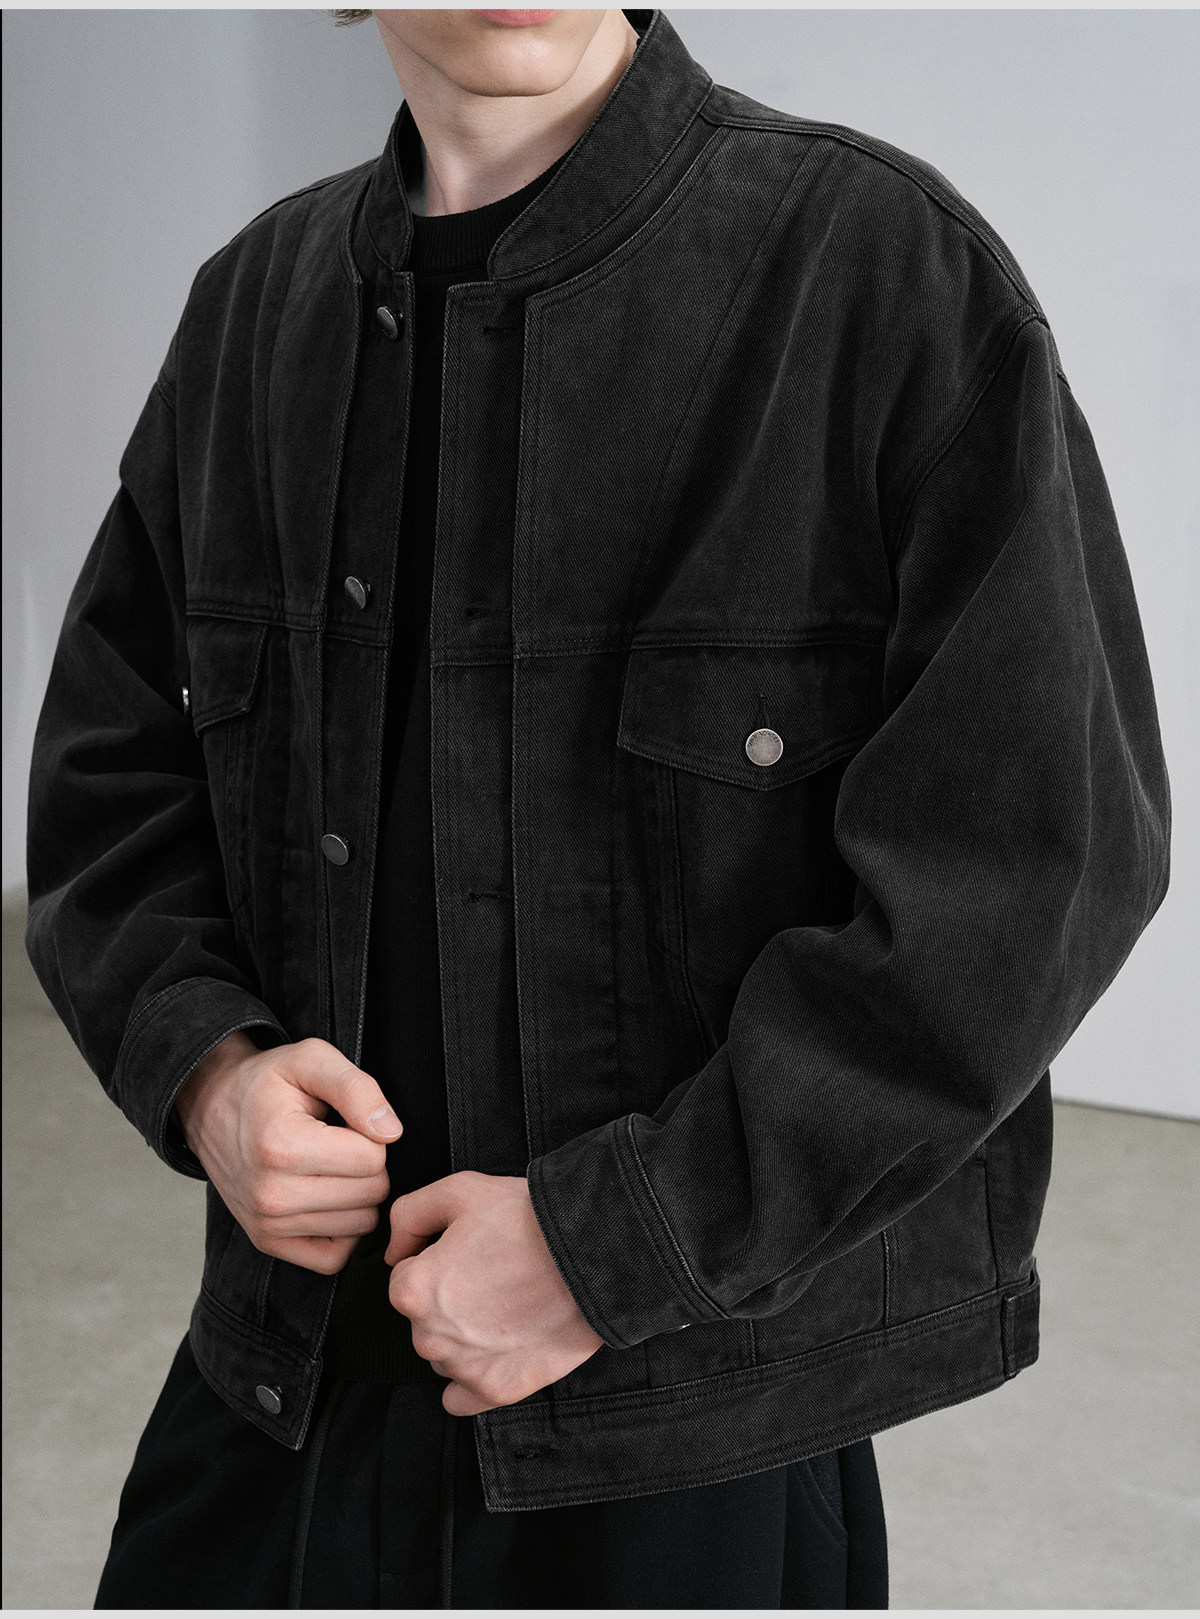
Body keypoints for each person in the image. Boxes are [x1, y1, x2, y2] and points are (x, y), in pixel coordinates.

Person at [24, 7, 1169, 1610]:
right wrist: (207, 1071)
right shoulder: (251, 309)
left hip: (687, 1406)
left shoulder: (878, 271)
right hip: (291, 1367)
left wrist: (612, 1246)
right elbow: (109, 778)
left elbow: (1037, 868)